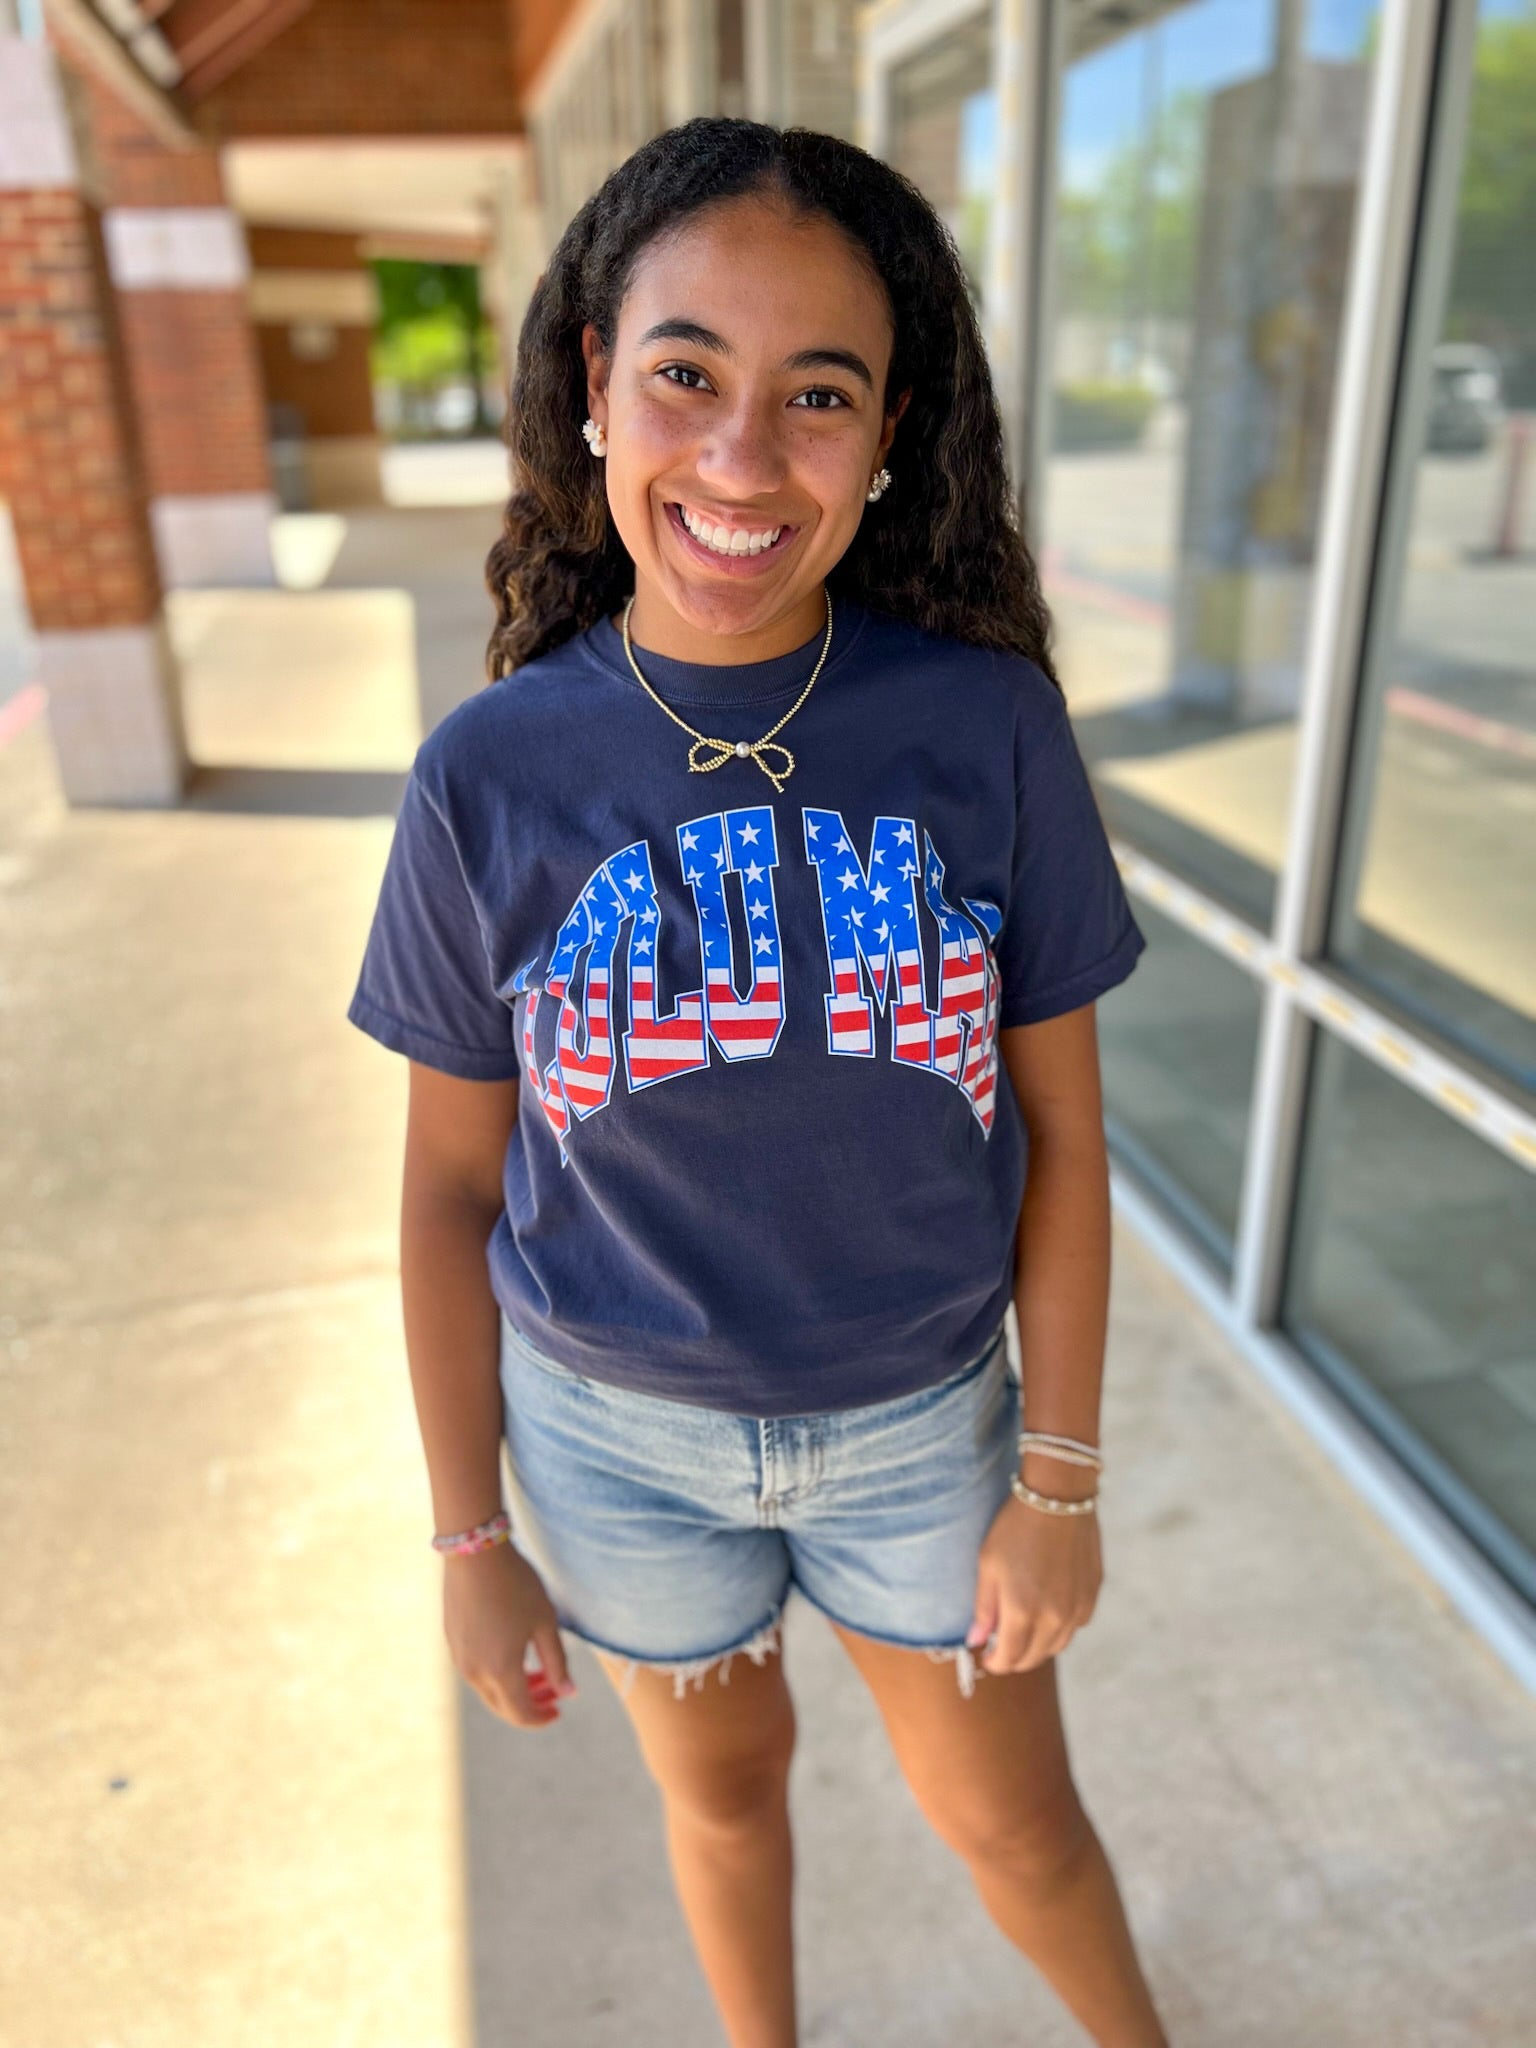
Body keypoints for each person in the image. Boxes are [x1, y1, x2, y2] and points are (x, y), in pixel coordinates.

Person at [347, 116, 1169, 2048]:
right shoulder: (491, 773)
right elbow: (450, 1193)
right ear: (593, 391)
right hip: (615, 1449)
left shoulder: (984, 726)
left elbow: (1063, 1132)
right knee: (718, 1804)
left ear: (892, 439)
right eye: (686, 376)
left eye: (820, 394)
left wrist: (1059, 1474)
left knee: (1015, 1820)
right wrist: (469, 1540)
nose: (739, 457)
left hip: (922, 1436)